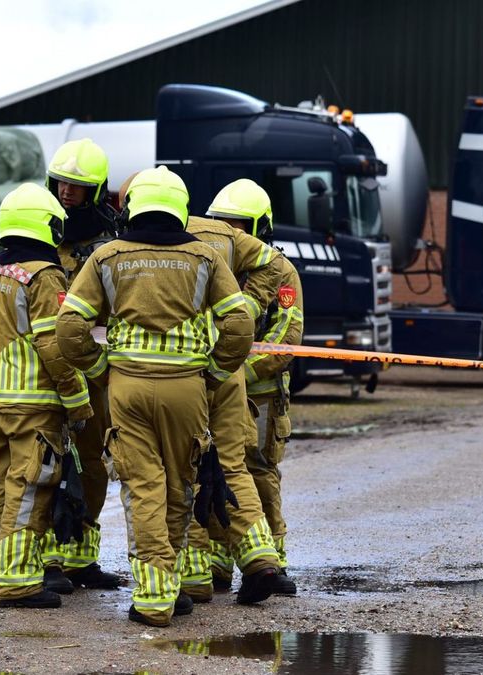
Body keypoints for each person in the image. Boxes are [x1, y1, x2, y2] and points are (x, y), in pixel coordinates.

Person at [55, 167, 258, 627]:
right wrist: (216, 371)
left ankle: (153, 597)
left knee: (142, 486)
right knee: (179, 485)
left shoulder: (108, 256)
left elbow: (69, 328)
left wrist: (100, 369)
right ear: (180, 208)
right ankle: (172, 583)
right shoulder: (205, 257)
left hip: (126, 387)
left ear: (132, 207)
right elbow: (240, 324)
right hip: (187, 389)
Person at [0, 183, 94, 608]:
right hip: (35, 404)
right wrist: (76, 397)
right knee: (30, 489)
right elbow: (52, 345)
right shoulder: (45, 275)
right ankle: (18, 582)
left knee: (4, 490)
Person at [177, 190, 289, 604]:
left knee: (180, 470)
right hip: (228, 377)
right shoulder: (223, 241)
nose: (234, 230)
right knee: (233, 467)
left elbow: (285, 338)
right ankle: (258, 560)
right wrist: (232, 363)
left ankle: (193, 577)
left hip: (187, 373)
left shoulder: (155, 243)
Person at [201, 179, 304, 596]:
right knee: (212, 471)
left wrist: (235, 372)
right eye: (224, 225)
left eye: (240, 226)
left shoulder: (280, 272)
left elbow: (285, 343)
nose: (232, 235)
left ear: (259, 228)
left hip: (259, 396)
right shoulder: (205, 263)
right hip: (212, 386)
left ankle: (271, 563)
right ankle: (217, 563)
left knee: (258, 474)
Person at [39, 138, 121, 592]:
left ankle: (81, 557)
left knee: (92, 461)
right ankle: (47, 558)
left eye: (76, 186)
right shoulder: (38, 232)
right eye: (61, 183)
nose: (66, 193)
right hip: (47, 367)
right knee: (46, 462)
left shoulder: (110, 243)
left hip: (95, 370)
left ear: (95, 191)